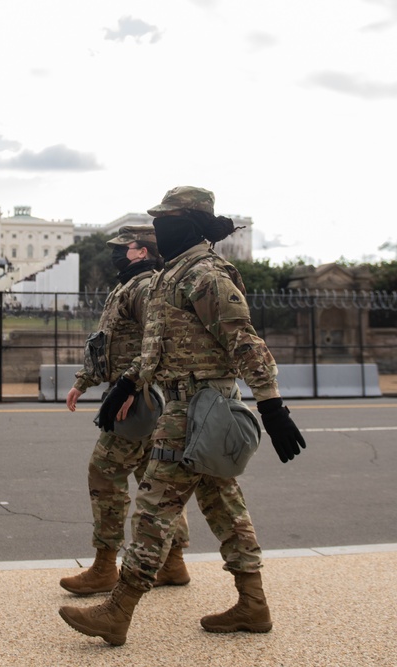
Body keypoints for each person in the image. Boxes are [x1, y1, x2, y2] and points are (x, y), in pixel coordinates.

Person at [59, 186, 306, 646]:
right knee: (223, 506)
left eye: (166, 219)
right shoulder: (171, 276)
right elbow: (157, 347)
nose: (158, 227)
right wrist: (129, 383)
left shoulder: (205, 275)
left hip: (199, 408)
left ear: (188, 224)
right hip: (181, 402)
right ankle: (253, 603)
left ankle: (118, 611)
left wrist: (272, 406)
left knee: (154, 507)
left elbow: (243, 339)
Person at [61, 225, 190, 596]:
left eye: (123, 248)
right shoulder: (128, 285)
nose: (116, 253)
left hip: (134, 397)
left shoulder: (144, 287)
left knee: (104, 474)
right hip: (132, 393)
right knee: (157, 481)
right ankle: (173, 562)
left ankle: (105, 567)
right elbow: (107, 344)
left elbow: (156, 341)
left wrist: (134, 385)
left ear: (142, 252)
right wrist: (84, 381)